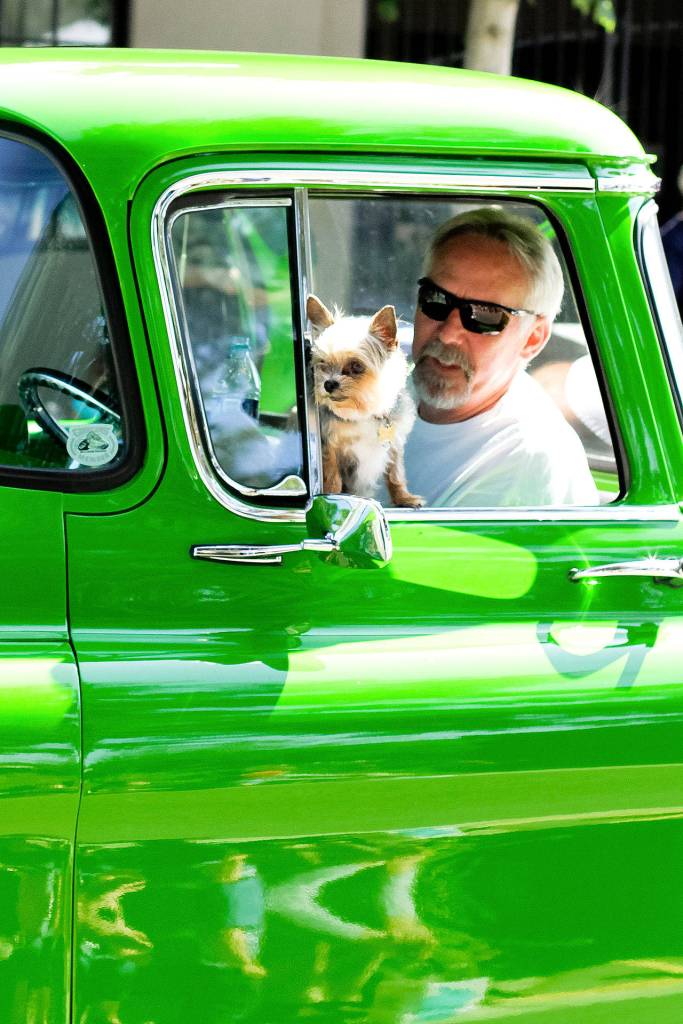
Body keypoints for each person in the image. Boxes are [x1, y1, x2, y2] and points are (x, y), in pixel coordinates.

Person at [404, 207, 599, 508]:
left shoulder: (526, 463)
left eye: (484, 315)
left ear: (532, 338)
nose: (448, 333)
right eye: (437, 299)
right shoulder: (379, 371)